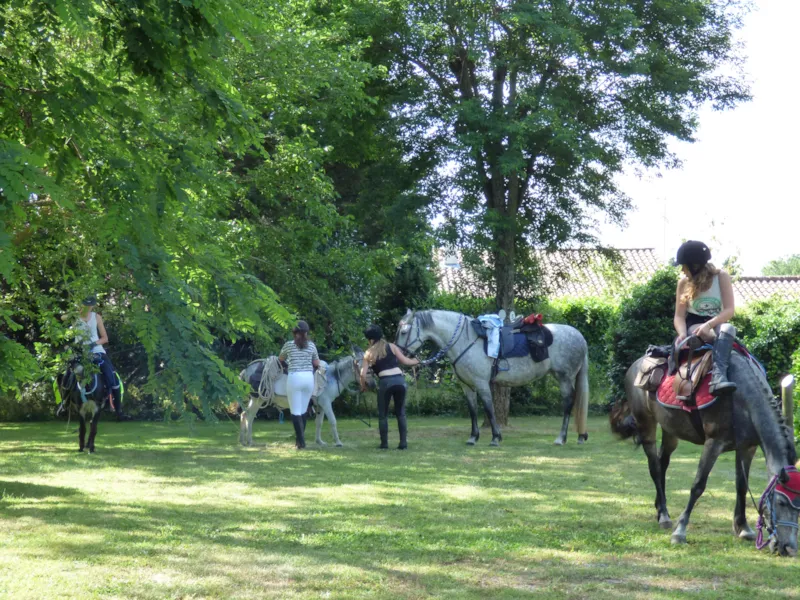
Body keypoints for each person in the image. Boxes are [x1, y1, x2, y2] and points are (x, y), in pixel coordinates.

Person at [672, 240, 737, 395]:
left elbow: (729, 310)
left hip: (717, 321)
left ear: (694, 266)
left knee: (729, 328)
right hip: (694, 323)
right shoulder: (683, 283)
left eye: (684, 266)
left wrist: (710, 324)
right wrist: (682, 333)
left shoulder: (721, 277)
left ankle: (718, 376)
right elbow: (679, 316)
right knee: (708, 334)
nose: (682, 270)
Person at [360, 324, 420, 450]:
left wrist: (363, 386)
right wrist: (418, 361)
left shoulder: (368, 353)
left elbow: (363, 374)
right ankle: (403, 444)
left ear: (370, 339)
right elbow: (406, 361)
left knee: (383, 414)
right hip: (400, 381)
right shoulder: (392, 346)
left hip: (385, 382)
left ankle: (384, 444)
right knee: (401, 413)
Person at [66, 296, 127, 420]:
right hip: (79, 352)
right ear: (81, 305)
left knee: (111, 375)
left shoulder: (97, 317)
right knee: (67, 374)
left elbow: (105, 338)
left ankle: (118, 410)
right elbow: (62, 318)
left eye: (90, 305)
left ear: (93, 306)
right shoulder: (74, 317)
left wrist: (94, 344)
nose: (88, 308)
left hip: (97, 350)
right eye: (85, 305)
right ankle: (64, 404)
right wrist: (74, 312)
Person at [279, 320, 320, 449]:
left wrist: (287, 367)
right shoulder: (312, 346)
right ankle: (299, 441)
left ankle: (301, 443)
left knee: (295, 411)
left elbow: (280, 360)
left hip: (294, 377)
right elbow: (317, 363)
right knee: (303, 410)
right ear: (306, 333)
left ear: (294, 332)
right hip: (308, 378)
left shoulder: (289, 345)